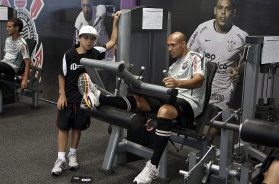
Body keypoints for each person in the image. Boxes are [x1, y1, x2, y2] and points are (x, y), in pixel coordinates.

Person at [78, 32, 206, 184]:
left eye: (173, 45)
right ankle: (99, 98)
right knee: (139, 100)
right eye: (168, 45)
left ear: (183, 44)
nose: (169, 49)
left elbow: (199, 80)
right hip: (173, 99)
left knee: (164, 110)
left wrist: (178, 83)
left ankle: (153, 166)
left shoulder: (196, 57)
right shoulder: (173, 67)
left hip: (190, 104)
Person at [51, 11, 121, 176]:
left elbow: (112, 42)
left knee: (77, 128)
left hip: (84, 99)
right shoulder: (69, 54)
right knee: (63, 128)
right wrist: (62, 95)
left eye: (92, 39)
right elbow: (61, 75)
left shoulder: (95, 52)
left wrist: (115, 22)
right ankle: (60, 159)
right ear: (79, 38)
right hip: (68, 98)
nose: (89, 41)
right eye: (86, 38)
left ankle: (73, 155)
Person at [187, 0, 248, 111]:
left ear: (233, 13)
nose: (223, 12)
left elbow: (247, 62)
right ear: (215, 10)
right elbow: (187, 54)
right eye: (220, 8)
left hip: (222, 95)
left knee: (209, 126)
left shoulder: (242, 36)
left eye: (227, 9)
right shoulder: (202, 29)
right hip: (199, 90)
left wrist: (239, 71)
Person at [0, 18, 31, 89]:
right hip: (4, 65)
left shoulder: (22, 43)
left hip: (13, 68)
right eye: (7, 27)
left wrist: (25, 79)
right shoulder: (8, 40)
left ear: (16, 28)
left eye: (9, 27)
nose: (7, 28)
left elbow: (27, 62)